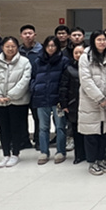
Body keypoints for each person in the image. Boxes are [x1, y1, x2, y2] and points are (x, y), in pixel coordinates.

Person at [0, 36, 32, 168]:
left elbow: (25, 80)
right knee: (3, 128)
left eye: (13, 46)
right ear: (2, 48)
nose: (10, 49)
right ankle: (5, 154)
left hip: (17, 101)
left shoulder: (24, 62)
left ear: (17, 48)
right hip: (0, 101)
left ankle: (15, 153)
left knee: (16, 128)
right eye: (7, 46)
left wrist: (11, 96)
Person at [78, 31, 106, 176]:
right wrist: (99, 98)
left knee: (104, 134)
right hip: (90, 102)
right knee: (91, 134)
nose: (102, 42)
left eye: (104, 40)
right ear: (93, 41)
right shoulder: (85, 57)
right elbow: (86, 80)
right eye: (99, 40)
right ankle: (92, 162)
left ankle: (101, 160)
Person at [31, 36, 69, 165]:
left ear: (57, 47)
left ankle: (61, 151)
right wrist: (34, 88)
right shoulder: (38, 61)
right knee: (43, 127)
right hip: (41, 98)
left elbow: (66, 79)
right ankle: (44, 151)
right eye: (48, 46)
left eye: (53, 46)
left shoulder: (63, 61)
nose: (51, 48)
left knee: (60, 126)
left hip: (57, 99)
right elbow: (32, 77)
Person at [59, 44, 86, 164]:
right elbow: (63, 88)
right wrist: (64, 104)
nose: (79, 55)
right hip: (73, 104)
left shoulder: (90, 67)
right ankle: (79, 155)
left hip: (88, 104)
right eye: (76, 53)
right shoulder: (68, 69)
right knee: (76, 131)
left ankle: (89, 154)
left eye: (81, 52)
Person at [19, 24, 43, 148]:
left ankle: (39, 140)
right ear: (21, 36)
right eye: (25, 33)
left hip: (37, 89)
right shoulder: (17, 51)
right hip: (20, 89)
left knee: (38, 117)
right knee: (21, 117)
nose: (28, 36)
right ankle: (24, 140)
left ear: (35, 35)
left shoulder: (42, 50)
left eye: (30, 33)